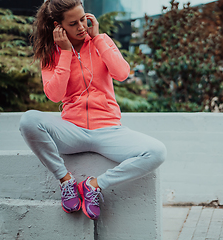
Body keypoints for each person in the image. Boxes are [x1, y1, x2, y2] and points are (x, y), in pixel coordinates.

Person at [19, 0, 166, 220]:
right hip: (72, 131)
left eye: (83, 19)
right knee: (28, 120)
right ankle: (66, 182)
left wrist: (98, 39)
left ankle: (93, 186)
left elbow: (122, 73)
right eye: (73, 23)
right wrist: (66, 53)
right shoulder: (52, 53)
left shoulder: (101, 41)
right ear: (58, 26)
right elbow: (55, 95)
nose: (81, 26)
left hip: (109, 130)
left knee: (157, 152)